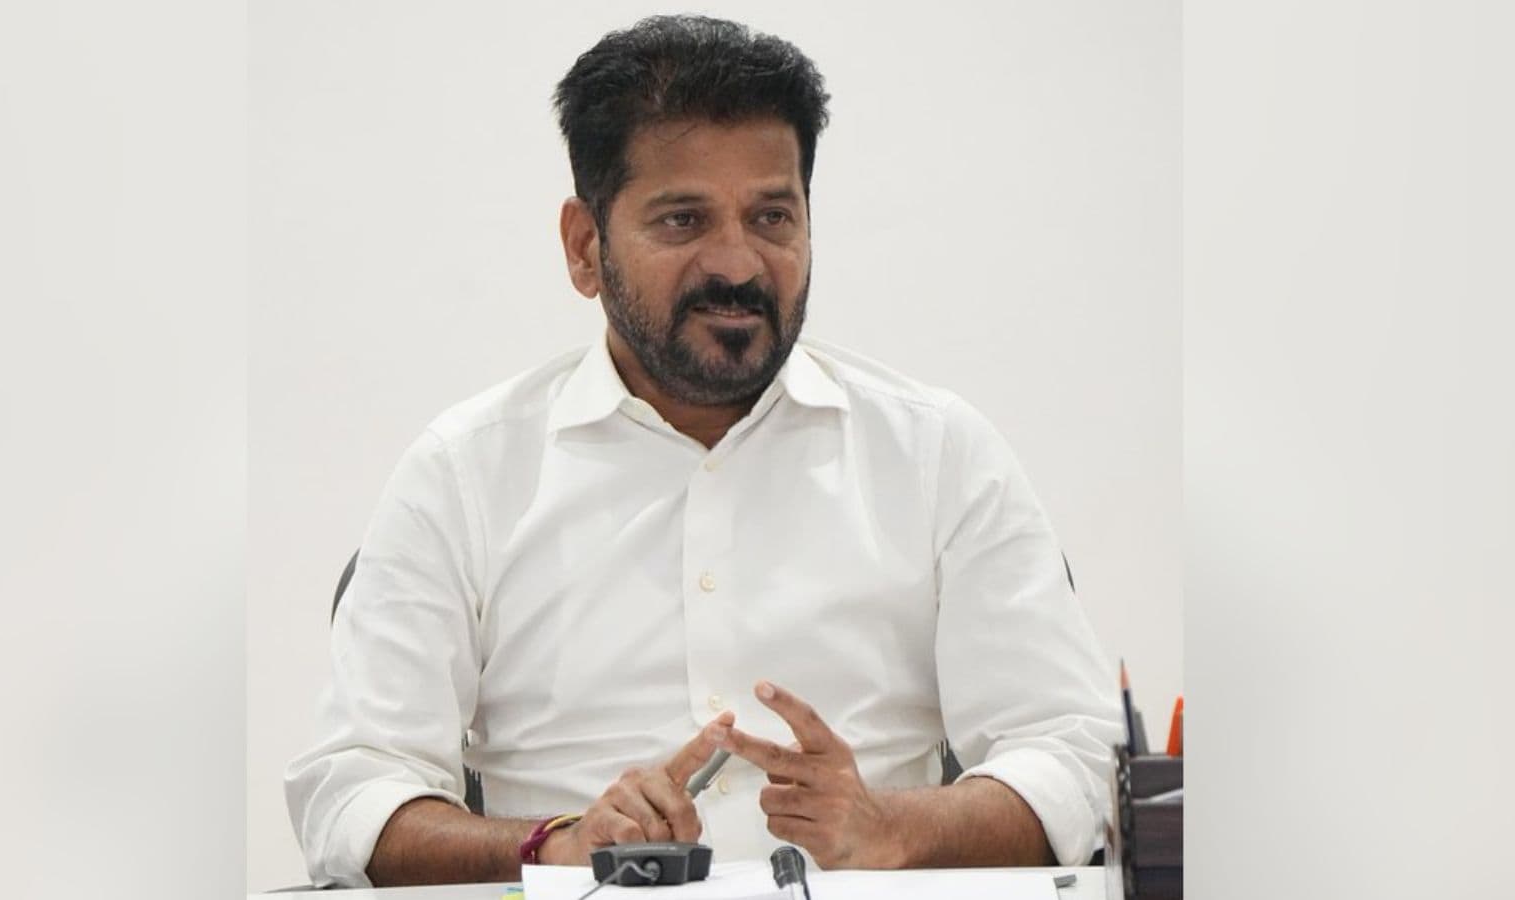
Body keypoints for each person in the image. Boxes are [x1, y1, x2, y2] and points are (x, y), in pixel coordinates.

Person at [285, 14, 1122, 888]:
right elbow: (353, 797)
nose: (737, 262)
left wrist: (892, 829)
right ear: (584, 247)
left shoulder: (937, 453)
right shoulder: (465, 472)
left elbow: (1076, 754)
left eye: (772, 216)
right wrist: (557, 845)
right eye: (683, 220)